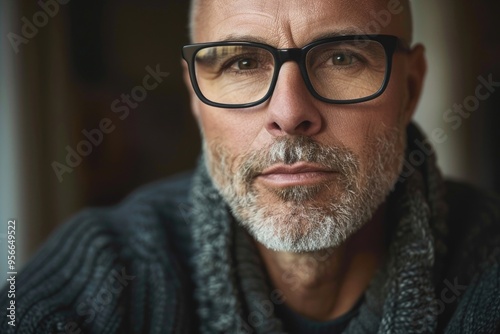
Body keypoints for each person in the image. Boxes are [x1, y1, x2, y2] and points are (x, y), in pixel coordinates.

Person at [2, 0, 500, 333]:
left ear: (410, 87)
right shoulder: (108, 270)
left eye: (343, 58)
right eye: (241, 63)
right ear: (196, 96)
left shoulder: (487, 265)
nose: (289, 113)